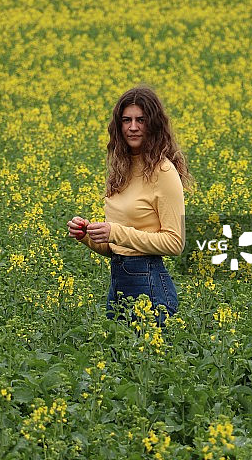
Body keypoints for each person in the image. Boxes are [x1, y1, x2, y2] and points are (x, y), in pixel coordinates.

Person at [67, 84, 194, 328]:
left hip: (150, 287)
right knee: (119, 353)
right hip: (118, 283)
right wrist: (87, 235)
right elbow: (117, 247)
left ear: (153, 124)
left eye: (140, 120)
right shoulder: (121, 169)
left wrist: (115, 232)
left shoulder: (164, 171)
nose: (133, 127)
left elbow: (175, 243)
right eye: (126, 120)